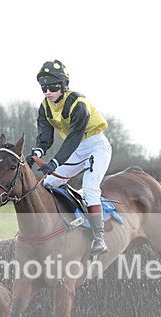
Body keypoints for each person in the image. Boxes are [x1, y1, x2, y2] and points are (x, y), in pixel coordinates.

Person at [27, 59, 112, 255]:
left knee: (90, 188)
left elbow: (73, 138)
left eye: (53, 87)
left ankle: (98, 237)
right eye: (44, 88)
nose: (48, 92)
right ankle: (63, 223)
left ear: (64, 86)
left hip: (96, 147)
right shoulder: (45, 107)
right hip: (77, 150)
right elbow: (45, 138)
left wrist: (55, 162)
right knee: (46, 184)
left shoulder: (78, 103)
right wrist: (37, 153)